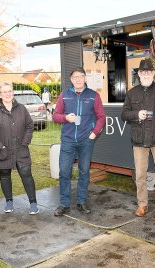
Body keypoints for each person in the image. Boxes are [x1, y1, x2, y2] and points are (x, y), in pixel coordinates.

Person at [121, 59, 155, 218]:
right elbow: (124, 114)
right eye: (143, 72)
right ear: (139, 74)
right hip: (139, 139)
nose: (146, 74)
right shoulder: (132, 93)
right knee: (140, 174)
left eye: (149, 71)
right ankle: (142, 204)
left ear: (153, 73)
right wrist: (136, 115)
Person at [52, 67, 106, 216]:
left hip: (86, 141)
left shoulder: (93, 95)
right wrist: (65, 118)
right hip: (68, 140)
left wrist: (94, 133)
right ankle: (64, 204)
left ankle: (81, 202)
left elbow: (101, 117)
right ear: (71, 79)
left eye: (80, 76)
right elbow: (55, 115)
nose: (78, 79)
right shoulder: (64, 95)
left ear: (85, 78)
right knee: (64, 172)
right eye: (75, 77)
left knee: (84, 171)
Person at [0, 82, 39, 214]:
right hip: (3, 149)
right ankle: (9, 201)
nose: (8, 94)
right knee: (5, 175)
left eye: (10, 91)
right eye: (4, 92)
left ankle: (33, 202)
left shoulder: (21, 108)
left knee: (26, 175)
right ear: (0, 94)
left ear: (13, 92)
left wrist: (25, 141)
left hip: (21, 148)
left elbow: (29, 126)